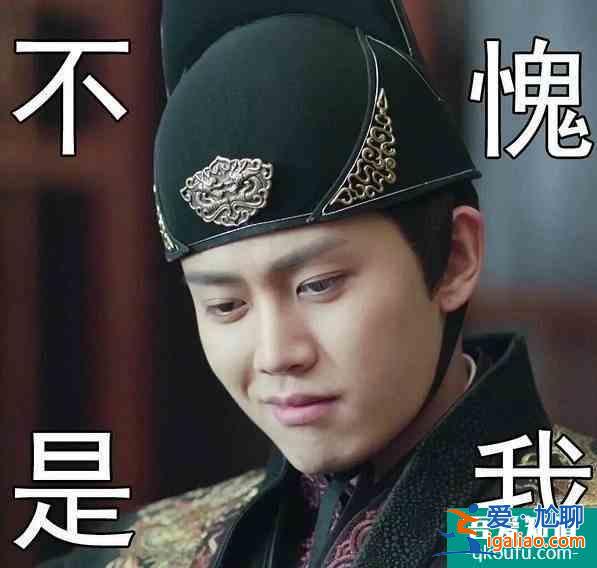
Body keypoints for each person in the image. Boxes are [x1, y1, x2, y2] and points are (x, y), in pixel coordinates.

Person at [42, 1, 596, 567]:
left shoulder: (563, 536)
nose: (276, 354)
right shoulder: (144, 552)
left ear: (455, 259)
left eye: (319, 285)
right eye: (226, 304)